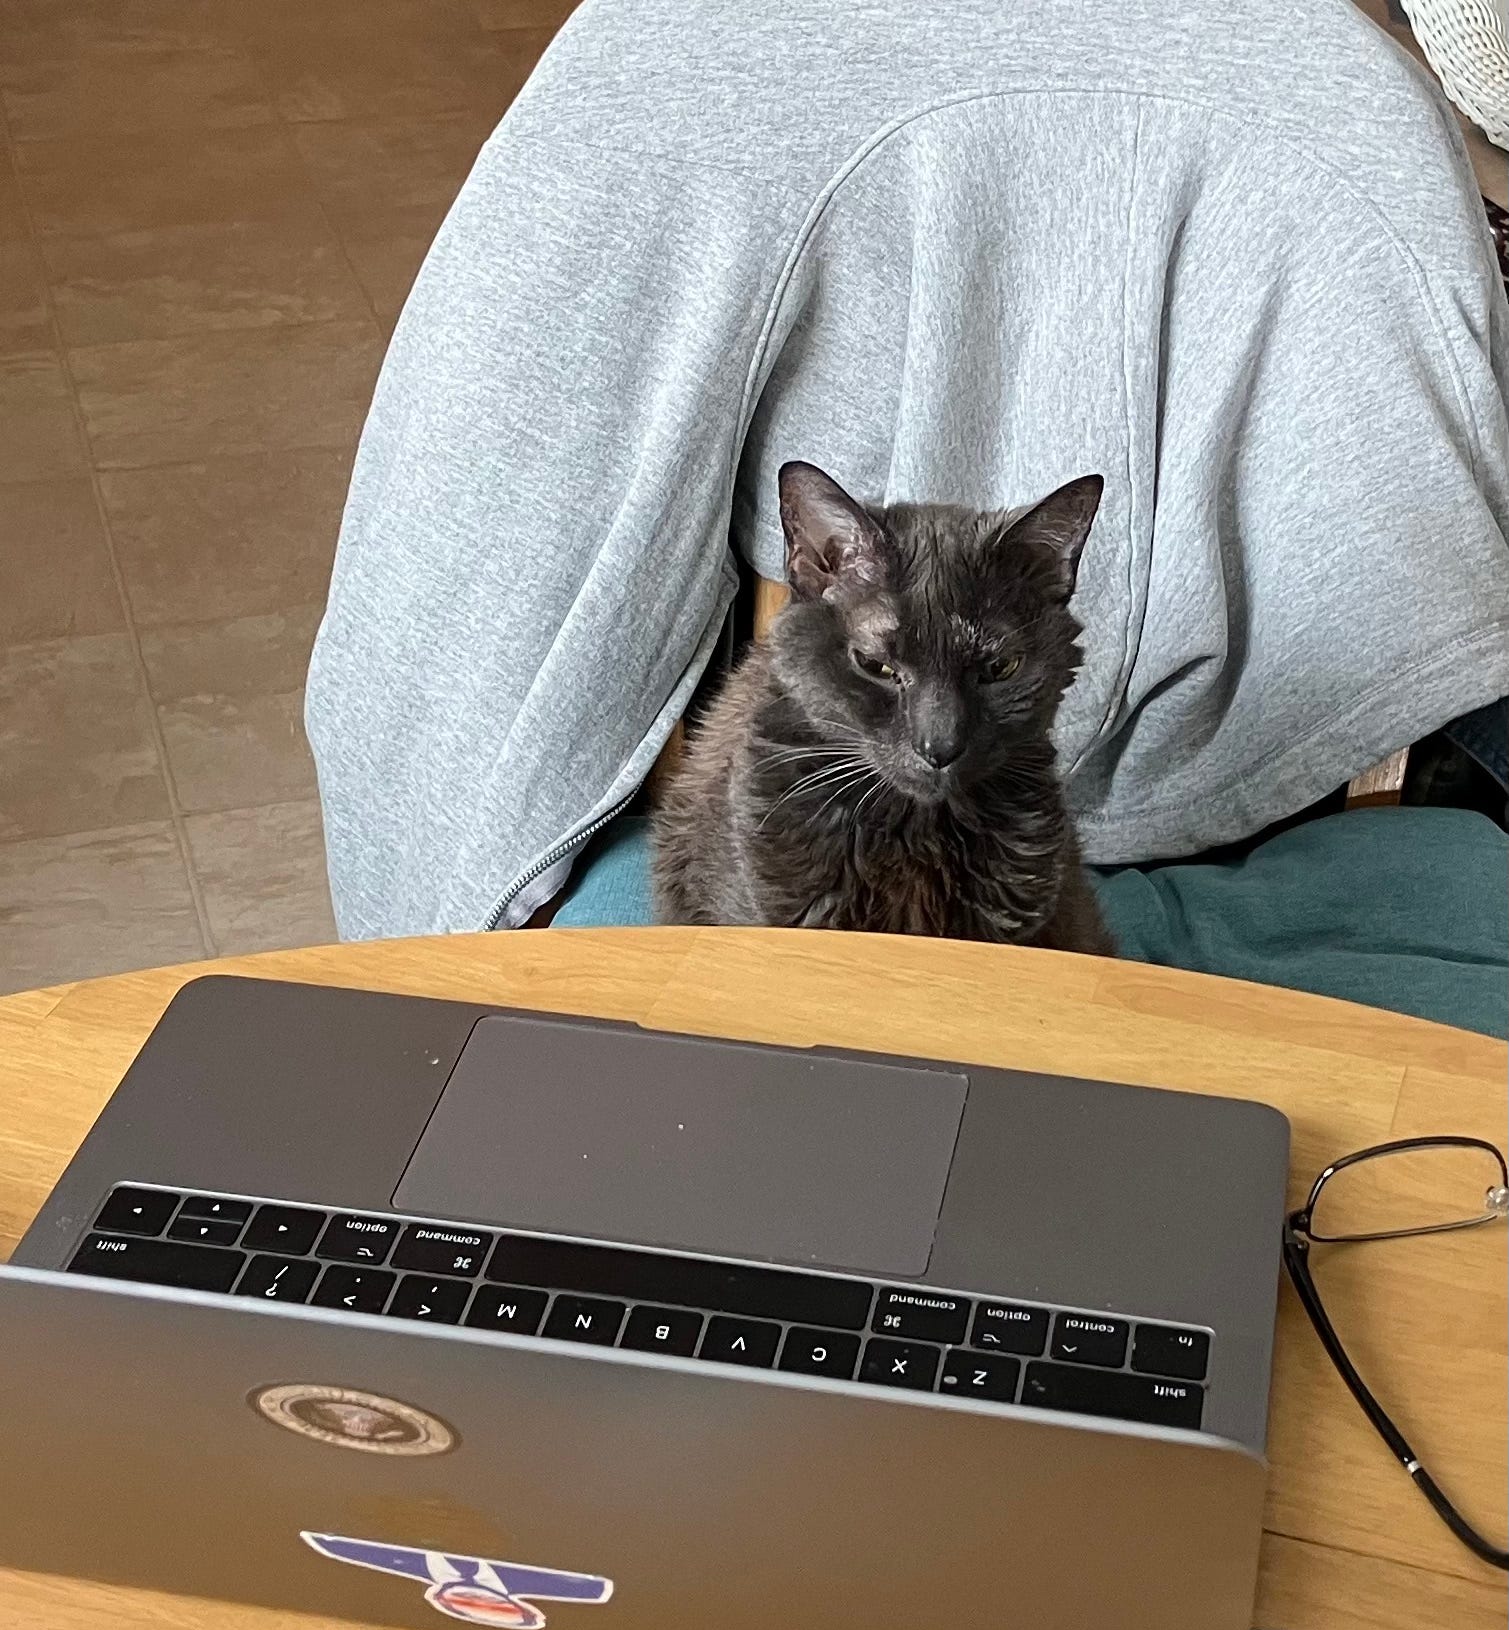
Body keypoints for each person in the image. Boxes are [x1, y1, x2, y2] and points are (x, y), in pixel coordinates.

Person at [305, 0, 1509, 955]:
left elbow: (449, 604)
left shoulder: (667, 51)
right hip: (877, 787)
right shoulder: (1357, 90)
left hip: (1041, 788)